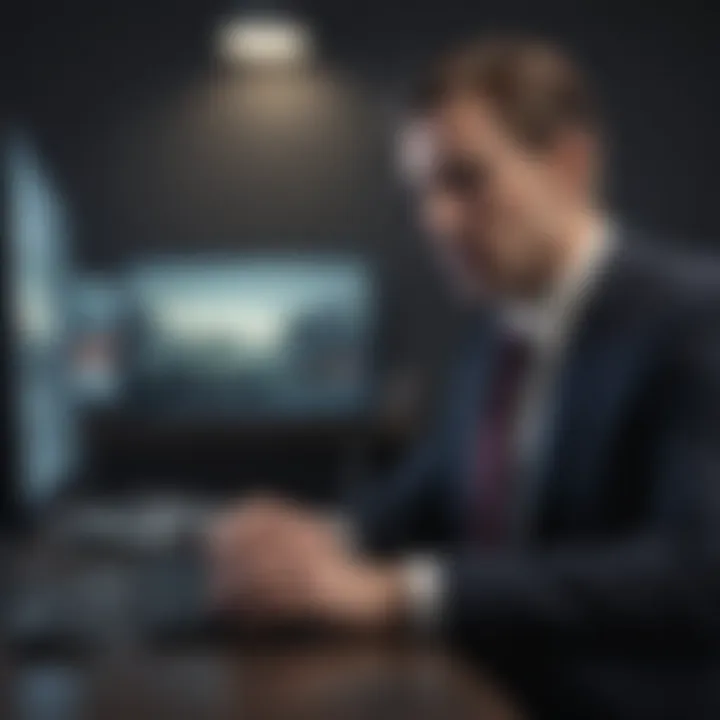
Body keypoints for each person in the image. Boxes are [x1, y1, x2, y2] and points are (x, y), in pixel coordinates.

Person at [208, 37, 720, 717]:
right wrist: (313, 541)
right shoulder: (497, 326)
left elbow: (695, 572)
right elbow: (430, 494)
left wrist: (403, 592)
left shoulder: (693, 315)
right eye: (423, 190)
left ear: (569, 164)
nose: (438, 219)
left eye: (466, 180)